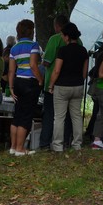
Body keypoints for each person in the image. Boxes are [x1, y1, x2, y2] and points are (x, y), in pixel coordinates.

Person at [47, 22, 89, 152]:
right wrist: (78, 81)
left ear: (66, 36)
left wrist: (51, 85)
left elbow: (57, 71)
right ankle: (77, 144)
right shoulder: (83, 50)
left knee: (59, 117)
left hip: (62, 86)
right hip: (78, 86)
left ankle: (58, 145)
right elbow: (84, 72)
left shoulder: (63, 51)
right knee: (76, 116)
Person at [40, 15, 76, 151]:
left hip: (53, 82)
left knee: (50, 114)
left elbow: (47, 61)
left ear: (57, 26)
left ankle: (45, 142)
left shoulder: (54, 39)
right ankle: (66, 141)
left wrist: (41, 62)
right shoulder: (78, 41)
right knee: (68, 115)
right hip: (72, 82)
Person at [8, 19, 43, 156]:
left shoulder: (14, 48)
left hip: (17, 82)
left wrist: (11, 87)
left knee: (17, 115)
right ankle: (20, 148)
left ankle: (13, 147)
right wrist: (40, 79)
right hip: (30, 83)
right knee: (26, 116)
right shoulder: (34, 45)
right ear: (30, 31)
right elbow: (34, 65)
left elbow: (11, 70)